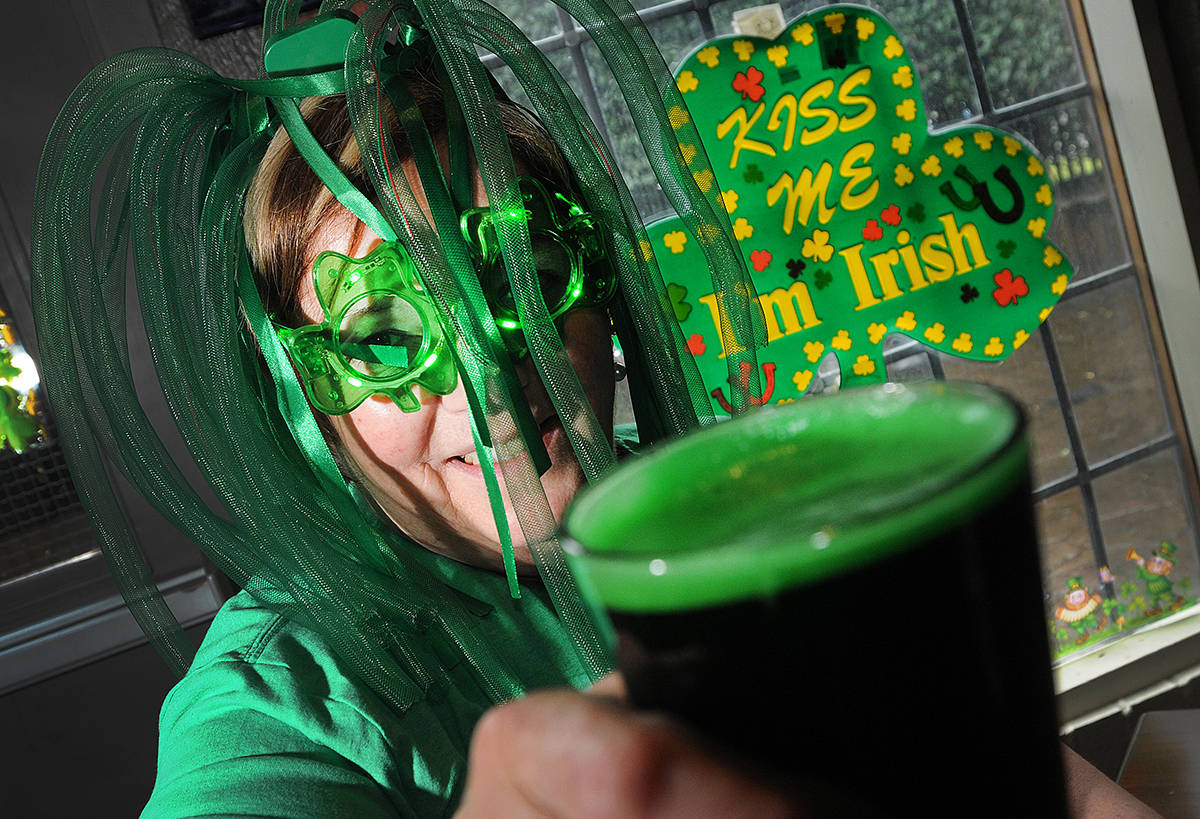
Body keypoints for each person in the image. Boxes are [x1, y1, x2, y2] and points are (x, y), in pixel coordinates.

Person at [30, 1, 1155, 815]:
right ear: (306, 389)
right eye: (385, 337)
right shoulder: (283, 704)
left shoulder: (703, 522)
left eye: (523, 278)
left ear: (598, 285)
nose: (492, 378)